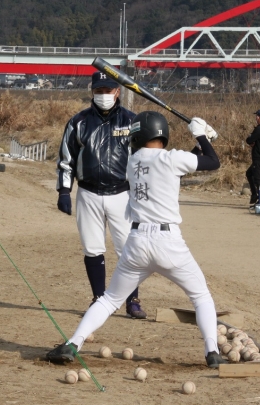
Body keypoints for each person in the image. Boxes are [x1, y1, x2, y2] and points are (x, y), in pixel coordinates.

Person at [47, 112, 228, 368]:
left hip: (137, 243)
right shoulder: (172, 159)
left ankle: (73, 343)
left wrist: (201, 144)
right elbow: (212, 162)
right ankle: (212, 352)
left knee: (109, 299)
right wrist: (200, 136)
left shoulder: (132, 161)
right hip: (169, 243)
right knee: (200, 296)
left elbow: (175, 167)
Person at [56, 71, 146, 319]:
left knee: (129, 249)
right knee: (92, 247)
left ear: (117, 91)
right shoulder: (78, 122)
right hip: (88, 193)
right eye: (99, 91)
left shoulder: (132, 121)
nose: (103, 95)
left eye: (108, 90)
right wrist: (64, 190)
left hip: (122, 194)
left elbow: (143, 159)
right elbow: (66, 160)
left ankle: (132, 300)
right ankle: (98, 298)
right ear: (92, 91)